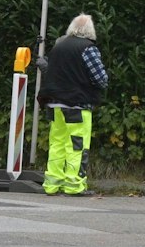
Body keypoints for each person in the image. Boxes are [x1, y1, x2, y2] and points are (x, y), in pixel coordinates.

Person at [39, 13, 108, 196]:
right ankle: (74, 185)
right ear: (90, 30)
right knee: (77, 145)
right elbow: (101, 79)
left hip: (54, 105)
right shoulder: (88, 48)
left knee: (57, 144)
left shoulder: (58, 47)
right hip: (77, 105)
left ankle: (52, 184)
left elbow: (50, 72)